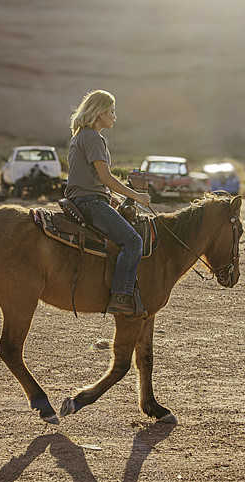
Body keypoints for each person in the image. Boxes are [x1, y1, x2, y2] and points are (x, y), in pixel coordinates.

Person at [65, 90, 151, 319]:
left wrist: (108, 197)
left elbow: (87, 177)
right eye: (112, 111)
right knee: (133, 241)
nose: (115, 116)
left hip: (83, 198)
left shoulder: (80, 135)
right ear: (100, 113)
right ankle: (120, 296)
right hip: (89, 202)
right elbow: (106, 178)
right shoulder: (93, 137)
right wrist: (137, 196)